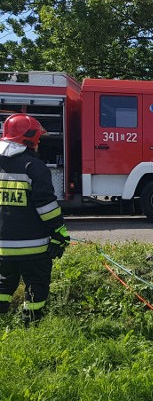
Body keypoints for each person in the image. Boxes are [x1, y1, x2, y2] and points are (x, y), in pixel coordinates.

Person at [0, 114, 70, 324]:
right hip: (34, 248)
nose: (39, 142)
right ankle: (30, 324)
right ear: (30, 139)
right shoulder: (34, 167)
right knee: (36, 286)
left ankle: (3, 324)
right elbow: (46, 208)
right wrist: (59, 232)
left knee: (2, 285)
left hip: (2, 247)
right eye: (38, 138)